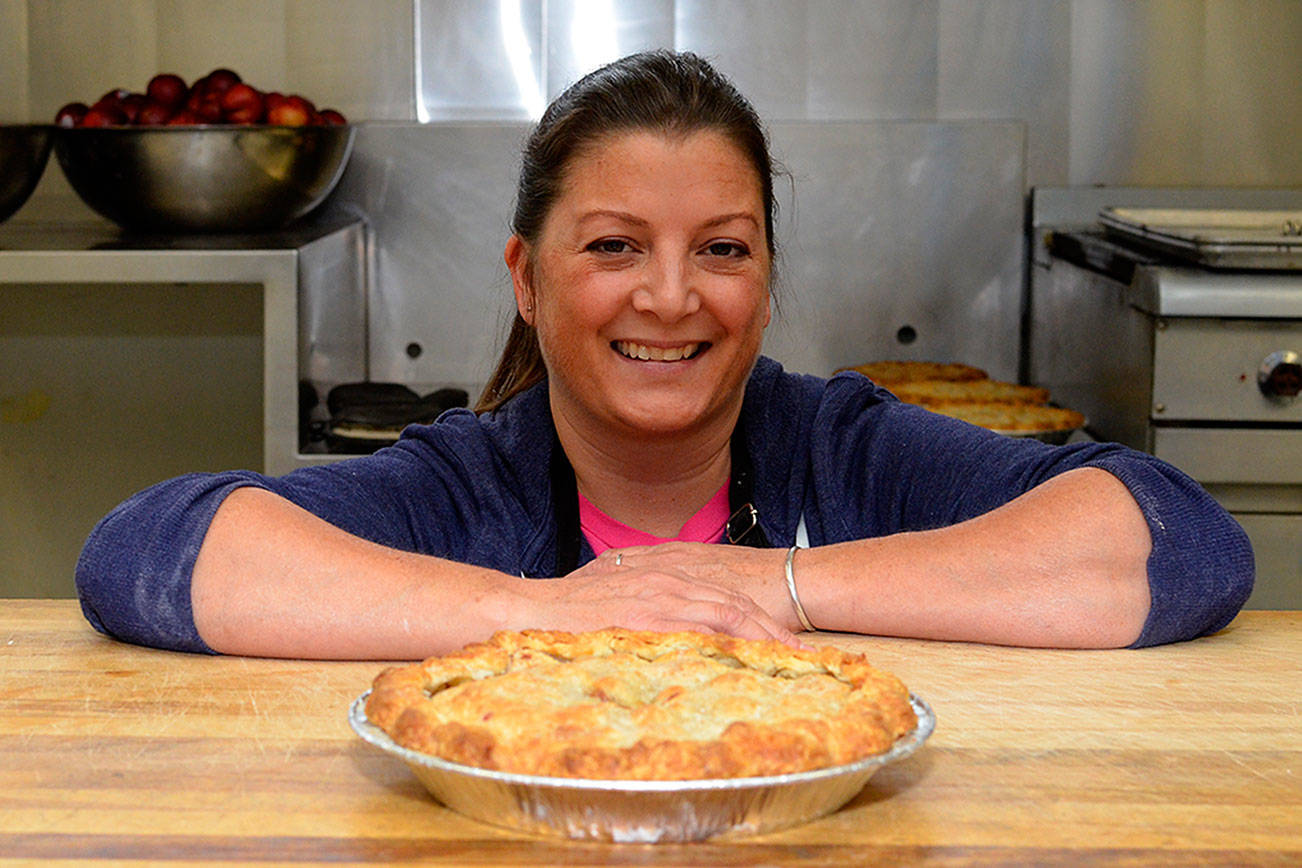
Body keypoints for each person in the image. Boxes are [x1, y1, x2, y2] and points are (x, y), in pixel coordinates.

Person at [75, 50, 1252, 659]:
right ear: (527, 281)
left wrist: (776, 584)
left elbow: (1181, 540)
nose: (674, 297)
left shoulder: (840, 452)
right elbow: (148, 552)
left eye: (724, 248)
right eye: (615, 245)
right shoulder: (469, 484)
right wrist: (542, 615)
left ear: (769, 277)